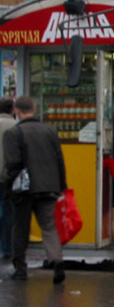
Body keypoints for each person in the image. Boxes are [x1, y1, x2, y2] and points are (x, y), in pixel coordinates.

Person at [3, 95, 67, 283]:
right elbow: (59, 160)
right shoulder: (49, 131)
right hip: (48, 186)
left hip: (23, 190)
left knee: (20, 228)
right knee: (49, 226)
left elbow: (12, 163)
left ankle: (20, 269)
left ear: (17, 111)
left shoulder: (14, 134)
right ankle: (57, 261)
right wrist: (61, 186)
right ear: (34, 108)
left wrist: (8, 186)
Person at [0, 96, 16, 261]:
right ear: (12, 110)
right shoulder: (15, 126)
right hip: (7, 176)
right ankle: (6, 248)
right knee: (8, 212)